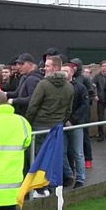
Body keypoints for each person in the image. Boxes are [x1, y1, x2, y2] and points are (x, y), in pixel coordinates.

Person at [26, 56, 74, 197]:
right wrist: (60, 121)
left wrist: (28, 122)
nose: (44, 68)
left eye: (47, 66)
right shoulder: (69, 86)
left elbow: (33, 106)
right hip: (57, 126)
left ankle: (40, 188)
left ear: (55, 68)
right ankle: (49, 186)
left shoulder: (43, 84)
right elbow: (68, 111)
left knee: (37, 156)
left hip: (40, 125)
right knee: (53, 156)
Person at [61, 63, 89, 189]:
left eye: (66, 71)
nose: (63, 73)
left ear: (72, 72)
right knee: (62, 152)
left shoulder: (80, 87)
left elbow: (84, 105)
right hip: (61, 124)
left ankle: (80, 178)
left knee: (78, 152)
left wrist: (72, 119)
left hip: (75, 124)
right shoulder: (58, 87)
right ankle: (69, 175)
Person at [93, 60, 106, 142]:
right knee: (100, 118)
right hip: (101, 99)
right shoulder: (97, 76)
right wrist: (95, 95)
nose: (104, 67)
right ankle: (101, 134)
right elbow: (93, 86)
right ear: (100, 67)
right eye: (103, 66)